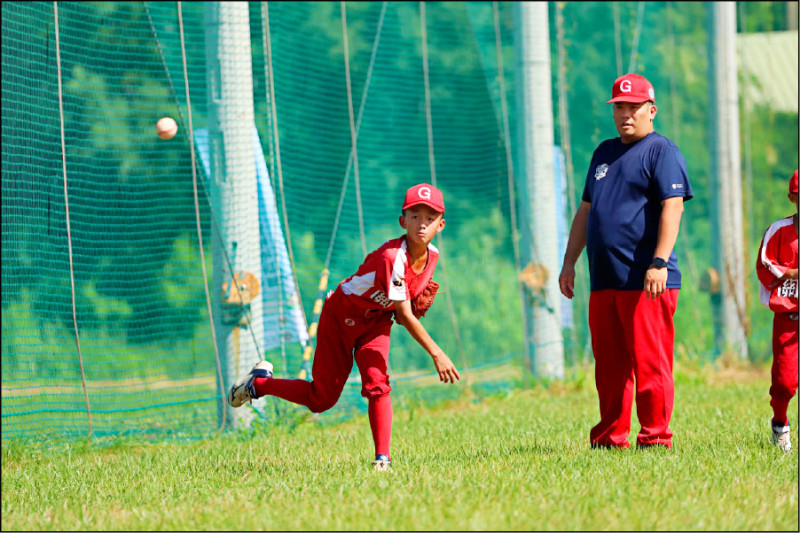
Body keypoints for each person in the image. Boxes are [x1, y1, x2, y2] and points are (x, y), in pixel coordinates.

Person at [227, 183, 460, 470]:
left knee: (378, 384)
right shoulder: (392, 258)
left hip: (375, 322)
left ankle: (382, 460)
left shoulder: (432, 257)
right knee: (320, 400)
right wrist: (437, 353)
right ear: (403, 221)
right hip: (342, 315)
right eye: (414, 215)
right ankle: (259, 384)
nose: (421, 224)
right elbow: (405, 313)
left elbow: (400, 312)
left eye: (430, 217)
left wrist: (409, 304)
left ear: (441, 224)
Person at [558, 73, 693, 449]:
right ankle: (609, 438)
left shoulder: (661, 151)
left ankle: (654, 439)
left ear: (652, 110)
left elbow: (673, 207)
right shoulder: (603, 152)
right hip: (604, 280)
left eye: (633, 107)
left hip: (647, 279)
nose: (625, 114)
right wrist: (570, 262)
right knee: (610, 368)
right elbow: (586, 210)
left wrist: (659, 262)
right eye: (619, 106)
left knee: (651, 364)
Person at [755, 169, 798, 453]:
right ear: (793, 197)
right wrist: (790, 273)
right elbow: (764, 261)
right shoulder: (779, 230)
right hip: (789, 316)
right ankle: (780, 424)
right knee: (784, 381)